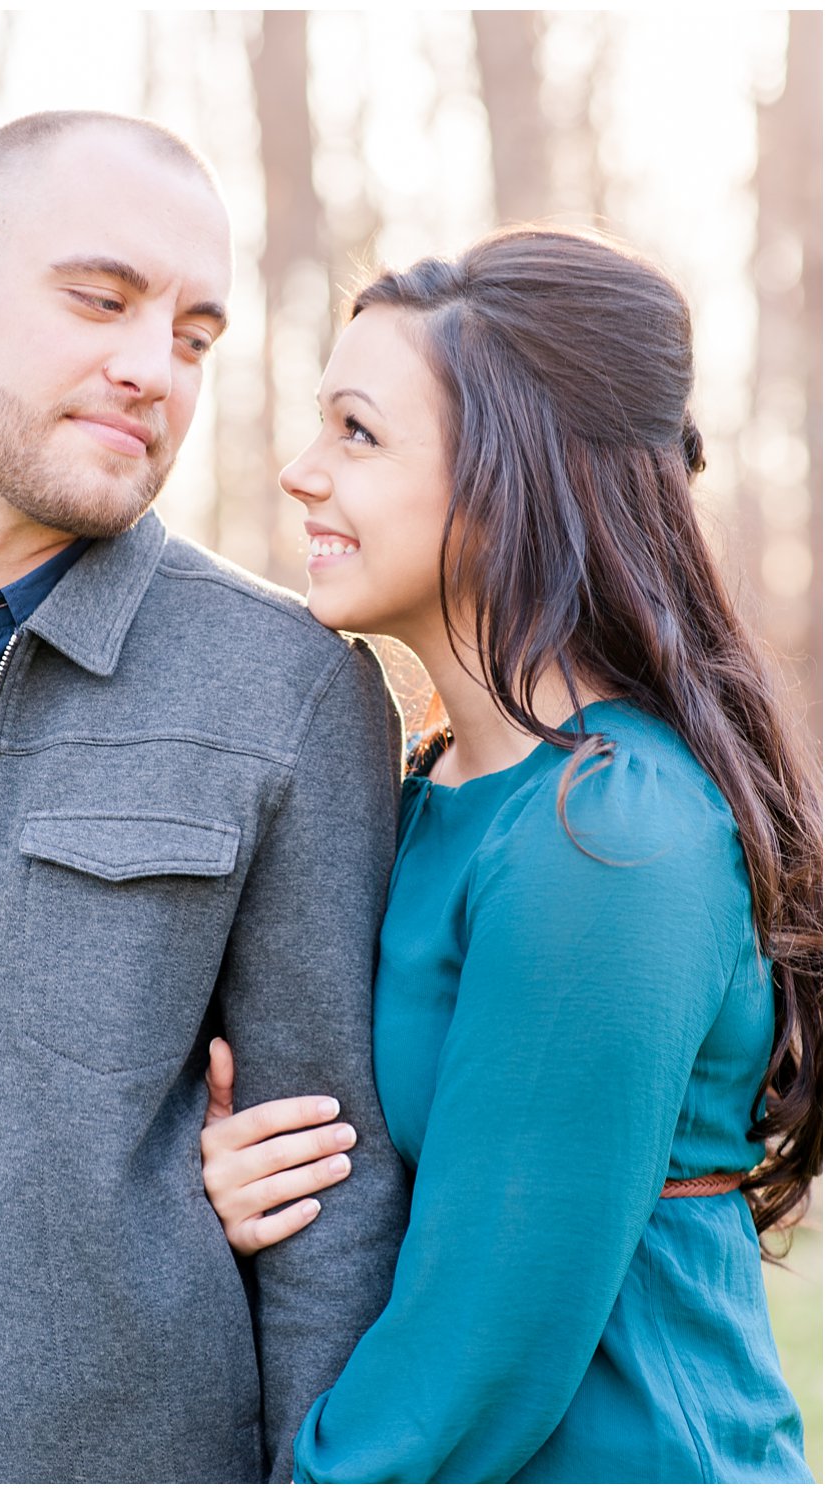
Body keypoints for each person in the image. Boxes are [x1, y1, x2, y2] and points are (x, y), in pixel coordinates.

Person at [200, 226, 822, 1482]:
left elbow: (470, 1377)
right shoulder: (446, 793)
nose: (299, 470)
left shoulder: (608, 837)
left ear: (506, 480)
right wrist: (213, 1185)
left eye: (357, 434)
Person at [0, 109, 410, 1485]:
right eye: (100, 300)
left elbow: (335, 1213)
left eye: (197, 333)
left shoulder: (288, 690)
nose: (152, 367)